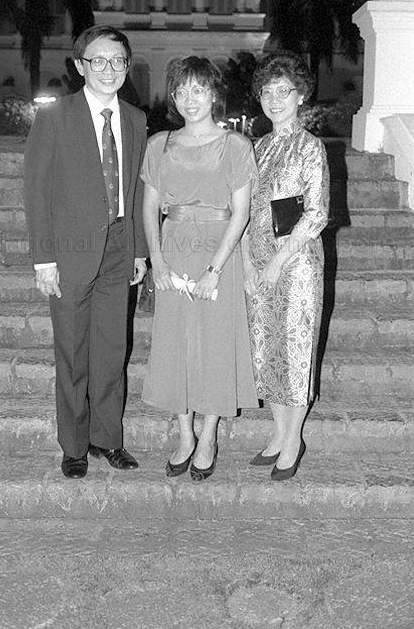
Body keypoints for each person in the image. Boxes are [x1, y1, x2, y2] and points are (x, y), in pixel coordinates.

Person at [24, 24, 148, 479]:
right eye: (98, 60)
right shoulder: (55, 117)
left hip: (118, 248)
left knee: (112, 350)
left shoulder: (135, 119)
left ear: (126, 66)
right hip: (70, 251)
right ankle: (74, 446)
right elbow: (36, 191)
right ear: (80, 66)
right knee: (73, 353)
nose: (109, 69)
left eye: (117, 61)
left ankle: (107, 439)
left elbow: (134, 189)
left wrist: (137, 250)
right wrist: (44, 259)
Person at [141, 56, 258, 481]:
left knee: (214, 345)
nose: (191, 99)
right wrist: (156, 261)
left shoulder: (236, 146)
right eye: (182, 91)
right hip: (172, 249)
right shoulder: (160, 144)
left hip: (219, 254)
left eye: (199, 89)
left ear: (214, 94)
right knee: (174, 345)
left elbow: (241, 214)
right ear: (173, 97)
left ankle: (209, 435)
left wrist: (214, 269)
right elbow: (149, 206)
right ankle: (185, 434)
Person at [242, 51, 329, 480]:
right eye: (268, 91)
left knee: (293, 350)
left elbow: (316, 213)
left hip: (295, 264)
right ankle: (277, 433)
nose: (274, 99)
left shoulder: (309, 146)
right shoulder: (257, 147)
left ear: (300, 97)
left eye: (284, 91)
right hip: (258, 262)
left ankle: (293, 439)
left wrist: (278, 261)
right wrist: (247, 263)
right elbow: (244, 210)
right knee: (265, 350)